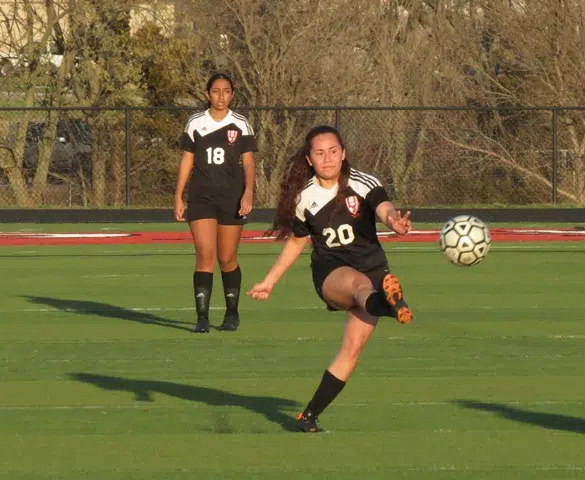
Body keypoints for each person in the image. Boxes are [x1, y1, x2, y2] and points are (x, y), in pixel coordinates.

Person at [247, 125, 413, 432]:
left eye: (333, 152)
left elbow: (384, 207)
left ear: (344, 153)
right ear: (309, 159)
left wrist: (394, 222)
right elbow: (297, 243)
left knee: (352, 351)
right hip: (332, 271)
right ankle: (390, 301)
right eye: (320, 153)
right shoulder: (304, 198)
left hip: (374, 266)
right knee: (358, 285)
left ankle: (308, 416)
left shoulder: (363, 182)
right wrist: (270, 281)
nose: (328, 159)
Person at [174, 73, 258, 333]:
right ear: (207, 93)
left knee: (227, 257)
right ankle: (202, 318)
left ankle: (232, 314)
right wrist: (178, 195)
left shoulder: (241, 123)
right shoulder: (196, 122)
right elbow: (187, 160)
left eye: (226, 91)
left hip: (232, 198)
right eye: (215, 91)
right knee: (205, 254)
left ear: (232, 95)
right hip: (201, 198)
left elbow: (248, 162)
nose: (221, 96)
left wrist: (249, 193)